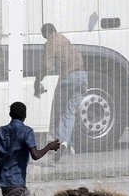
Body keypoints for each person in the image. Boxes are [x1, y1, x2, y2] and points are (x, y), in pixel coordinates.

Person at [34, 23, 88, 160]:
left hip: (69, 78)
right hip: (82, 76)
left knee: (57, 110)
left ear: (46, 34)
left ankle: (59, 142)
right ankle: (65, 142)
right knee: (69, 112)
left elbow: (47, 65)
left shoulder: (51, 41)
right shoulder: (65, 39)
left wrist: (37, 80)